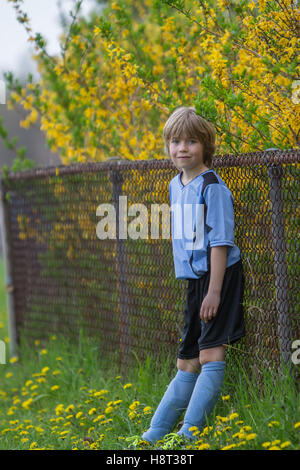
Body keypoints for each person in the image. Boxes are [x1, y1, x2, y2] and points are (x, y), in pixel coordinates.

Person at [141, 106, 245, 444]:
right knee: (187, 357)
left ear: (205, 146)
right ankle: (156, 433)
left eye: (191, 141)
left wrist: (214, 292)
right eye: (175, 141)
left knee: (210, 353)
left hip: (220, 276)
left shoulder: (212, 187)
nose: (182, 147)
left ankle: (190, 433)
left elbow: (220, 243)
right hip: (193, 280)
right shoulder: (175, 184)